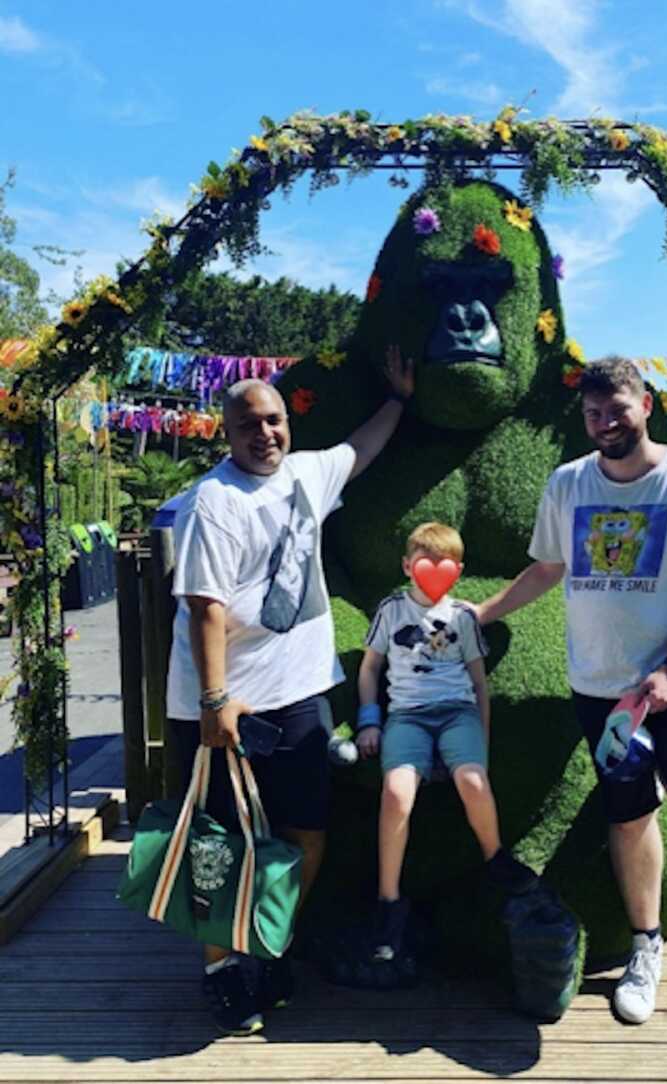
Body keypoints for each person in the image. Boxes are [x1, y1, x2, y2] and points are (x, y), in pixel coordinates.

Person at [472, 357, 667, 1025]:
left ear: (644, 404)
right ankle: (646, 946)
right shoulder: (568, 484)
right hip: (599, 689)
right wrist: (480, 613)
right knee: (627, 811)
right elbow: (546, 568)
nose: (605, 422)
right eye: (593, 414)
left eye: (617, 408)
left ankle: (654, 774)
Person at [166, 349, 414, 1035]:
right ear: (228, 433)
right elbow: (205, 607)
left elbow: (359, 449)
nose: (265, 434)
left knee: (305, 834)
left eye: (273, 421)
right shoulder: (212, 501)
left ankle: (269, 946)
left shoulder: (307, 475)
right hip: (226, 706)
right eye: (249, 425)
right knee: (219, 845)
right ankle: (221, 969)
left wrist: (399, 398)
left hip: (300, 696)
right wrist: (216, 702)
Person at [355, 521, 537, 970]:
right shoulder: (391, 610)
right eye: (425, 562)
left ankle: (495, 858)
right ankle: (388, 901)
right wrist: (368, 721)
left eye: (445, 564)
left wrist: (483, 736)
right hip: (406, 715)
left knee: (473, 781)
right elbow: (369, 669)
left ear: (457, 570)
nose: (434, 572)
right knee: (397, 793)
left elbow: (479, 682)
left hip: (457, 711)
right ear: (407, 565)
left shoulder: (462, 617)